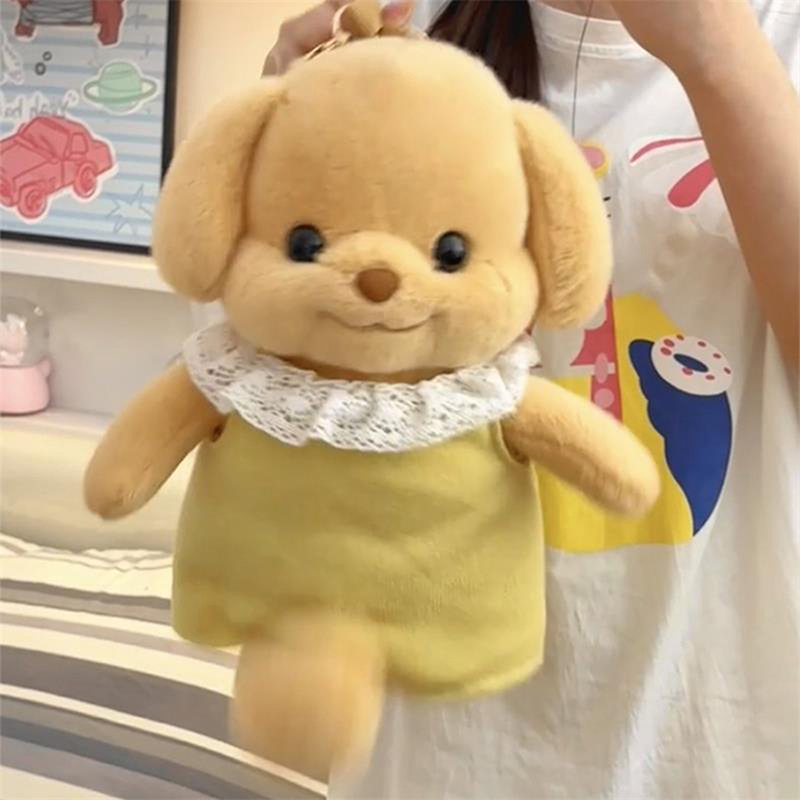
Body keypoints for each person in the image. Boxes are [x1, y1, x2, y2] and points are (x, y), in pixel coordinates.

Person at [263, 1, 800, 797]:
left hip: (712, 745)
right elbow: (293, 406)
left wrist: (719, 57)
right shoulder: (411, 28)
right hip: (434, 751)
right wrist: (278, 192)